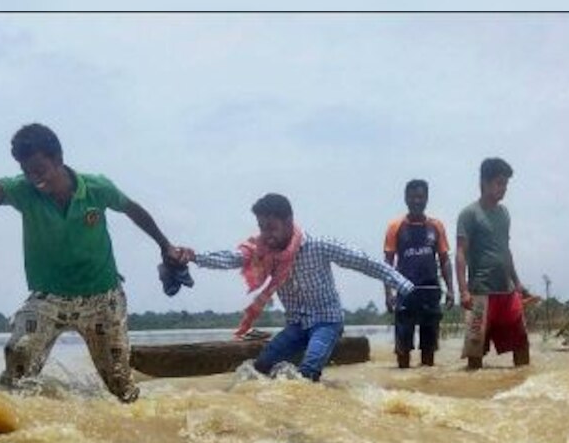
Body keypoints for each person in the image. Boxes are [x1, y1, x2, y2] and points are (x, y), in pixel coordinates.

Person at [0, 123, 179, 403]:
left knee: (121, 386)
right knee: (19, 354)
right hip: (48, 299)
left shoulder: (97, 188)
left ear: (58, 159)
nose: (35, 179)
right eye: (27, 172)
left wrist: (165, 246)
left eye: (40, 170)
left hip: (102, 298)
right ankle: (6, 424)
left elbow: (134, 211)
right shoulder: (22, 191)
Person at [174, 193, 415, 382]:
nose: (266, 235)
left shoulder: (319, 246)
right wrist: (194, 256)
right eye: (261, 228)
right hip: (296, 325)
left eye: (271, 227)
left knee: (308, 371)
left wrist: (404, 286)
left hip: (326, 321)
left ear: (289, 221)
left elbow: (365, 263)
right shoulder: (263, 251)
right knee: (259, 368)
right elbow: (232, 258)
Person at [456, 157, 531, 370]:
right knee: (474, 354)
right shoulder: (469, 214)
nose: (503, 188)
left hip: (507, 293)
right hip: (480, 293)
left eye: (506, 184)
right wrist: (463, 291)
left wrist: (517, 281)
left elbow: (505, 250)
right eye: (499, 183)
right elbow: (460, 253)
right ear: (484, 182)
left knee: (522, 347)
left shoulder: (504, 213)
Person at [383, 178, 454, 368]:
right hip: (405, 294)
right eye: (413, 197)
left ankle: (426, 389)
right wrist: (388, 294)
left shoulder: (436, 226)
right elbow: (388, 264)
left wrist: (451, 290)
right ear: (406, 199)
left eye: (421, 197)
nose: (417, 201)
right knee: (402, 352)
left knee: (429, 355)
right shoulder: (395, 227)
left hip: (430, 293)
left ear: (427, 199)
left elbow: (445, 260)